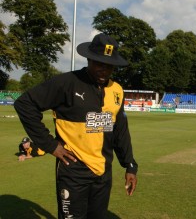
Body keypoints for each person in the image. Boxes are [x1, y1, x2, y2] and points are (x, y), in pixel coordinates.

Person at [14, 33, 138, 219]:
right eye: (98, 63)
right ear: (89, 59)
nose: (103, 70)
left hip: (103, 171)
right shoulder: (66, 83)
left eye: (109, 66)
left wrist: (130, 166)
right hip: (73, 170)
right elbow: (25, 104)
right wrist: (51, 145)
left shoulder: (117, 90)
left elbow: (120, 130)